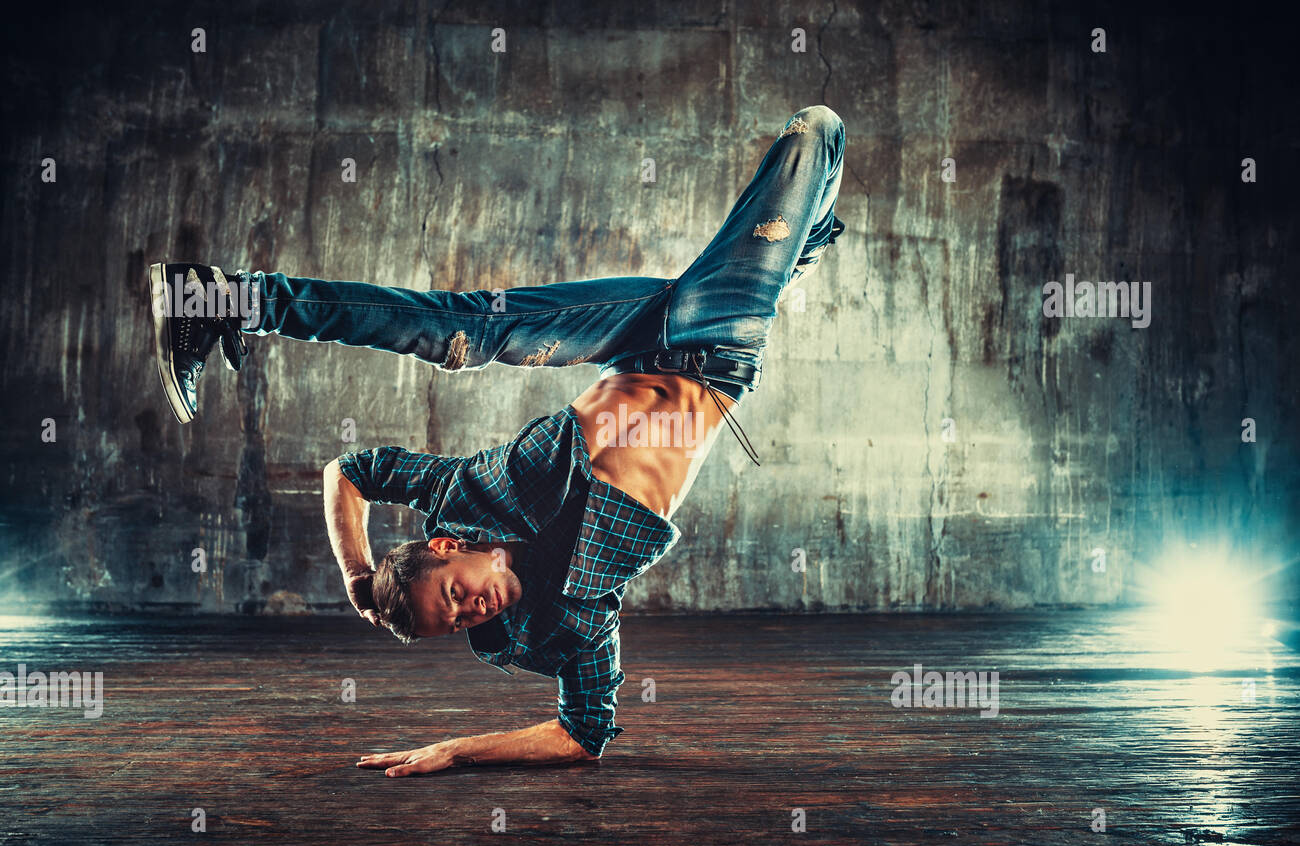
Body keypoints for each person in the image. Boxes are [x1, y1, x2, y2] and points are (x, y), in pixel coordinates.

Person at [146, 105, 846, 775]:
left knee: (467, 328)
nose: (468, 616)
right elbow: (583, 736)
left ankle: (220, 297)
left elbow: (350, 470)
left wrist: (356, 573)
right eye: (452, 627)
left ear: (450, 549)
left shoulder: (460, 493)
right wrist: (456, 749)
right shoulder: (561, 630)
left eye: (452, 598)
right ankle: (799, 250)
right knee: (820, 148)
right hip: (713, 345)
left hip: (629, 338)